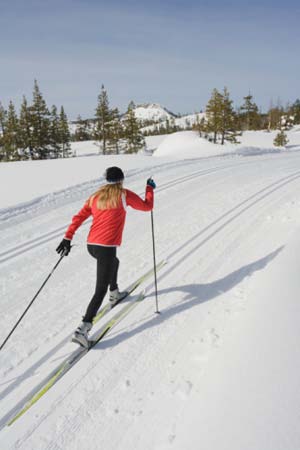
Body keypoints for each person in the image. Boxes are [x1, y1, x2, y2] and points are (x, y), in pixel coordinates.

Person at [56, 166, 156, 348]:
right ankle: (83, 329)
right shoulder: (124, 195)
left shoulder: (96, 196)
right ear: (121, 180)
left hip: (92, 246)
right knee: (99, 289)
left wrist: (67, 237)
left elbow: (79, 217)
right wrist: (149, 188)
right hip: (106, 248)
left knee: (114, 263)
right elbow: (147, 206)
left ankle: (115, 292)